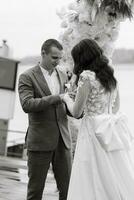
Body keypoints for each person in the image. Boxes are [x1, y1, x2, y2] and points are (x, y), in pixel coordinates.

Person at [62, 38, 134, 200]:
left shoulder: (86, 77)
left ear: (82, 58)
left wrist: (66, 98)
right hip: (109, 128)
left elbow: (76, 111)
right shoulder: (110, 73)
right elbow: (115, 107)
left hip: (92, 131)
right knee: (112, 173)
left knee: (90, 173)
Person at [18, 39, 72, 200]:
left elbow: (65, 104)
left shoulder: (63, 74)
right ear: (43, 53)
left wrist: (77, 108)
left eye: (60, 58)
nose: (58, 62)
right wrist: (57, 98)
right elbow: (27, 105)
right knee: (35, 192)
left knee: (68, 190)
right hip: (40, 141)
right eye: (54, 58)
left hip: (63, 141)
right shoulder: (27, 76)